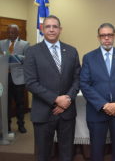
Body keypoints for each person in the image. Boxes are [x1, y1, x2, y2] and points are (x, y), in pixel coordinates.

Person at [24, 15, 81, 161]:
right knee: (43, 154)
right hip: (43, 112)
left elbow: (78, 79)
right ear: (42, 29)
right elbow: (30, 82)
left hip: (67, 112)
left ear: (60, 29)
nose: (51, 29)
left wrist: (67, 99)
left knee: (67, 153)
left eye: (55, 26)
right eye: (48, 26)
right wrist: (56, 99)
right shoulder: (32, 52)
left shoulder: (71, 51)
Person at [80, 23, 115, 161]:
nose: (106, 38)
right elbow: (84, 84)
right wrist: (104, 105)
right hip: (97, 111)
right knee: (97, 152)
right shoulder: (89, 57)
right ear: (98, 37)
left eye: (109, 35)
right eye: (103, 35)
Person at [0, 24, 29, 133]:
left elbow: (27, 59)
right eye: (8, 32)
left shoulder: (25, 44)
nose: (10, 34)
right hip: (4, 78)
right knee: (5, 104)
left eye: (12, 32)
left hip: (19, 79)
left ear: (18, 33)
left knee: (20, 103)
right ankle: (7, 126)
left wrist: (15, 57)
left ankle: (21, 124)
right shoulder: (1, 43)